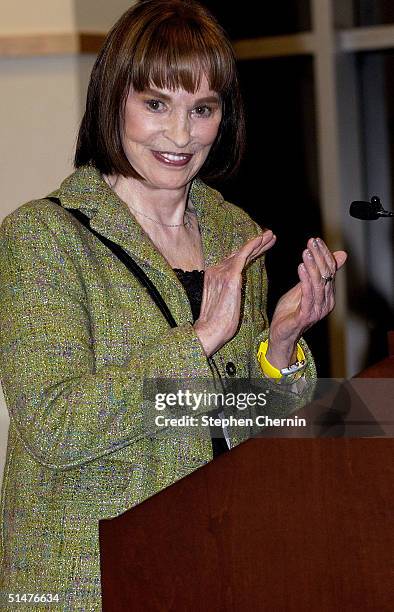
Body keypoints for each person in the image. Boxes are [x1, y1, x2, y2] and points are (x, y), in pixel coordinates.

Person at [0, 1, 347, 609]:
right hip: (94, 582)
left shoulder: (233, 230)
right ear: (114, 102)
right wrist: (199, 340)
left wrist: (283, 345)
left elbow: (236, 423)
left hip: (217, 564)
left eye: (203, 109)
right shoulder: (44, 237)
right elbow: (54, 427)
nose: (182, 136)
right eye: (156, 104)